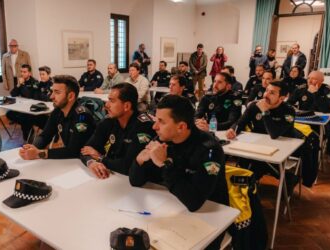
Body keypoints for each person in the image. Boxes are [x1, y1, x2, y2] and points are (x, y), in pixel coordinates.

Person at [129, 95, 228, 249]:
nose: (154, 126)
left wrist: (164, 164)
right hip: (171, 207)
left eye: (161, 121)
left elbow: (194, 203)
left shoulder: (209, 149)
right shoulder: (163, 138)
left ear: (181, 127)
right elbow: (135, 181)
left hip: (208, 217)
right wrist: (139, 161)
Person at [80, 83, 155, 177]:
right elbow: (85, 150)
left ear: (126, 106)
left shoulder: (144, 126)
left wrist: (100, 158)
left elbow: (128, 166)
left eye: (111, 101)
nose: (106, 105)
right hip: (112, 177)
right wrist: (91, 163)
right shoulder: (107, 122)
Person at [226, 81, 296, 179]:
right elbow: (240, 123)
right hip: (256, 144)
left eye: (272, 93)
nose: (266, 94)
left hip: (279, 148)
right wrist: (233, 129)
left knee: (257, 165)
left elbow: (274, 134)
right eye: (266, 90)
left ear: (282, 98)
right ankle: (249, 182)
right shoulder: (254, 106)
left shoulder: (289, 111)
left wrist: (265, 111)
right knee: (240, 158)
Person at [19, 75, 96, 160]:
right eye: (52, 91)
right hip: (72, 161)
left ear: (70, 96)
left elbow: (74, 151)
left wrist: (39, 154)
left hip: (89, 162)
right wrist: (33, 147)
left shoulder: (82, 116)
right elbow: (45, 136)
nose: (51, 96)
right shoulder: (58, 111)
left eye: (57, 92)